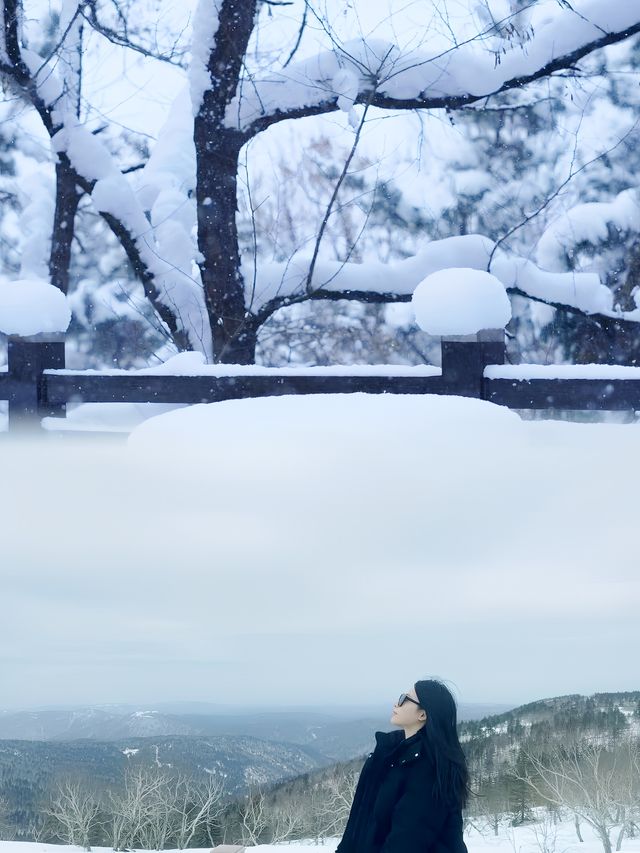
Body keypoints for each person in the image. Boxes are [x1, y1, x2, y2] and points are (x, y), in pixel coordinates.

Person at [335, 679, 470, 853]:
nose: (396, 703)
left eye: (405, 698)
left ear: (422, 714)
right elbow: (359, 821)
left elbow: (406, 842)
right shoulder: (387, 756)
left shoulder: (430, 770)